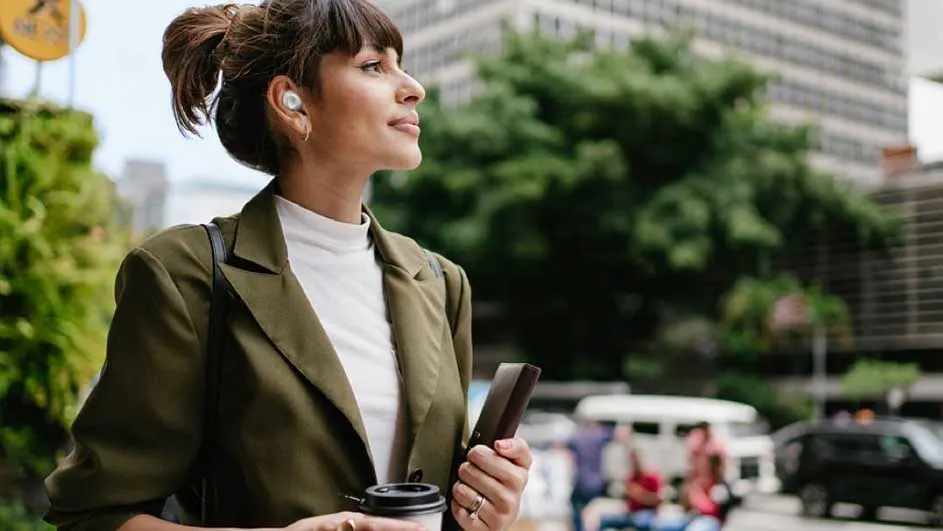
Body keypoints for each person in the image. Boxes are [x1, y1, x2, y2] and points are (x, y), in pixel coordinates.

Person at [42, 1, 533, 530]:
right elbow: (94, 515)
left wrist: (487, 508)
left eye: (400, 62)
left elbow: (441, 505)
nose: (413, 86)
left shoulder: (439, 281)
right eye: (374, 66)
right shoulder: (184, 274)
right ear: (292, 101)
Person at [566, 420, 616, 531]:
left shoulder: (577, 438)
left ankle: (579, 528)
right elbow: (620, 434)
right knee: (592, 511)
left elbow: (565, 449)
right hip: (597, 482)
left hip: (581, 480)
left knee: (577, 509)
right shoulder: (600, 435)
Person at [597, 448, 663, 531]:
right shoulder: (630, 478)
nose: (634, 464)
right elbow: (628, 501)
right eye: (632, 462)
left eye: (636, 460)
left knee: (641, 522)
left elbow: (659, 500)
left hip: (647, 513)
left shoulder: (652, 477)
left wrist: (640, 495)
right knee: (605, 520)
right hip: (631, 514)